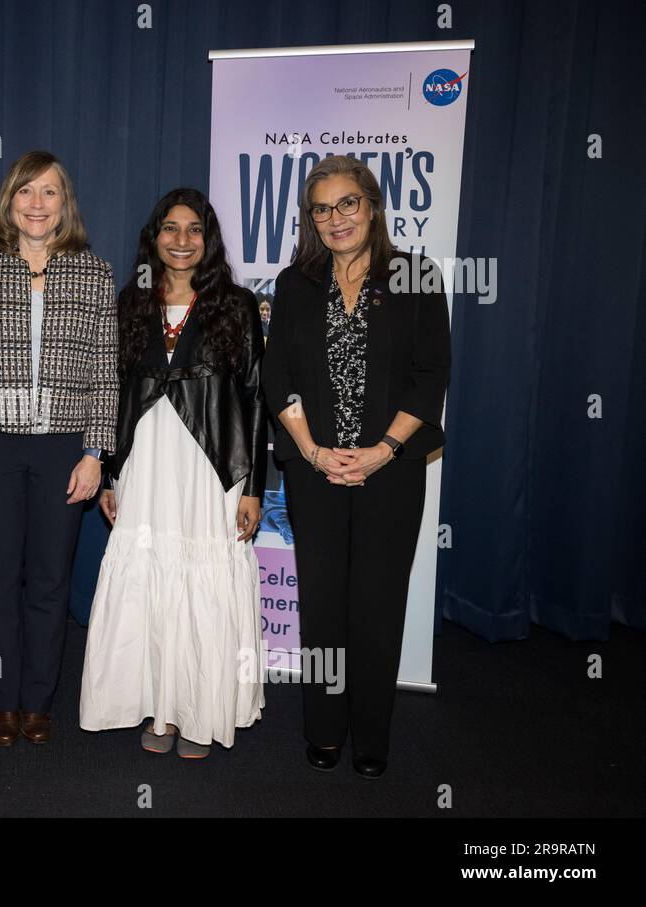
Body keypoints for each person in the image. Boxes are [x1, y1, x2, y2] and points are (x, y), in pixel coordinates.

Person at [261, 154, 450, 778]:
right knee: (324, 606)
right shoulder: (294, 285)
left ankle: (371, 736)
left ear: (371, 206)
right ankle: (324, 729)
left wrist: (383, 450)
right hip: (314, 473)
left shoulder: (416, 276)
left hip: (390, 473)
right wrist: (313, 450)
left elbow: (430, 378)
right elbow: (279, 377)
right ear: (309, 220)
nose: (336, 218)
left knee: (377, 604)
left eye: (348, 203)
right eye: (322, 208)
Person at [79, 188, 267, 758]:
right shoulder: (131, 301)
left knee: (201, 576)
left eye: (194, 230)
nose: (181, 241)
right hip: (147, 461)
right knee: (150, 575)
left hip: (211, 467)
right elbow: (113, 396)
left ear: (207, 241)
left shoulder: (235, 306)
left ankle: (198, 712)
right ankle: (160, 710)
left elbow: (257, 397)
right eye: (170, 228)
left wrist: (254, 487)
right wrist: (112, 474)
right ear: (153, 236)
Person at [0, 151, 118, 746]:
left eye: (50, 193)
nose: (37, 204)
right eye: (26, 192)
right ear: (8, 202)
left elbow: (105, 372)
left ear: (65, 204)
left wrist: (96, 453)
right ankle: (2, 701)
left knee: (49, 580)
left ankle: (38, 703)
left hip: (65, 449)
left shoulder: (94, 273)